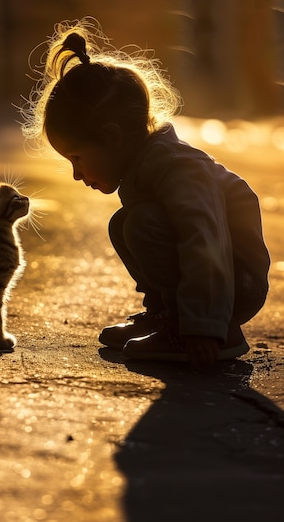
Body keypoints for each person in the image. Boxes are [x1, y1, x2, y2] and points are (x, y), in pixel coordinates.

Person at [21, 18, 270, 369]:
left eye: (77, 158)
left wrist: (205, 327)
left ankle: (204, 329)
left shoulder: (177, 169)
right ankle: (166, 316)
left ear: (112, 137)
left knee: (140, 223)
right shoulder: (145, 167)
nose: (76, 175)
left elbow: (207, 241)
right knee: (124, 222)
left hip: (233, 284)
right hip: (217, 283)